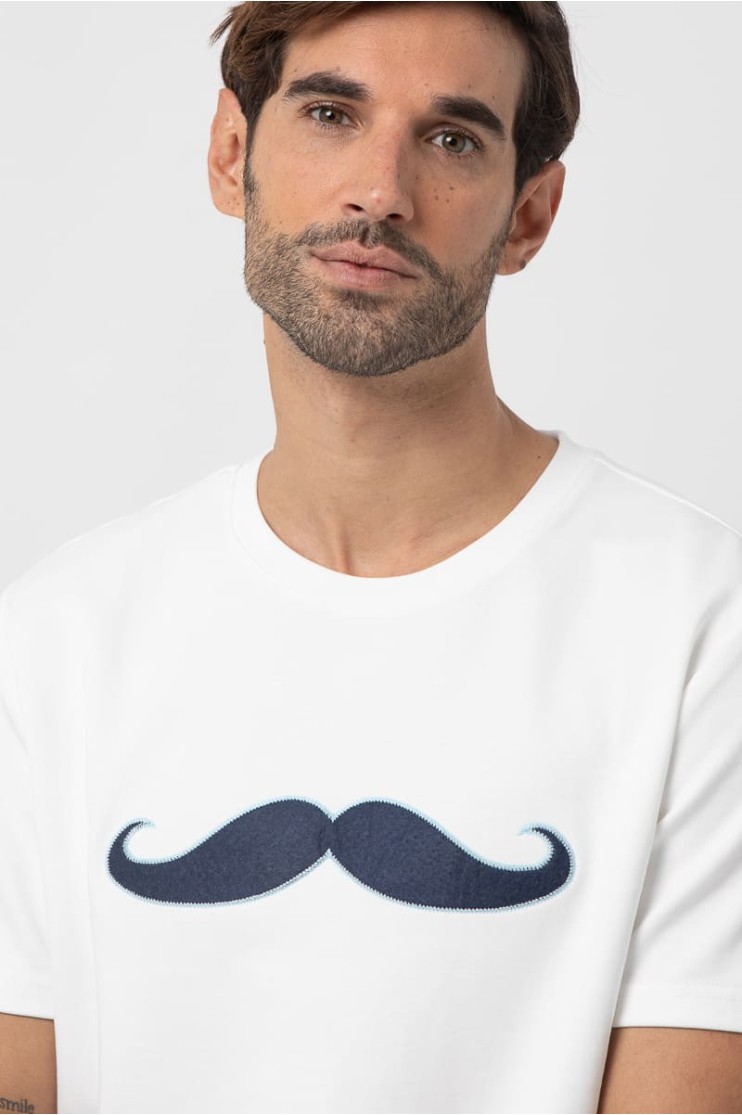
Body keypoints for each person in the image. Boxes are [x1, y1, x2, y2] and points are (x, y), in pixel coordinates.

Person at [1, 1, 741, 1111]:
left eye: (451, 138)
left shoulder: (700, 627)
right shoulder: (57, 635)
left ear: (529, 215)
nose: (380, 191)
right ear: (231, 153)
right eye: (330, 114)